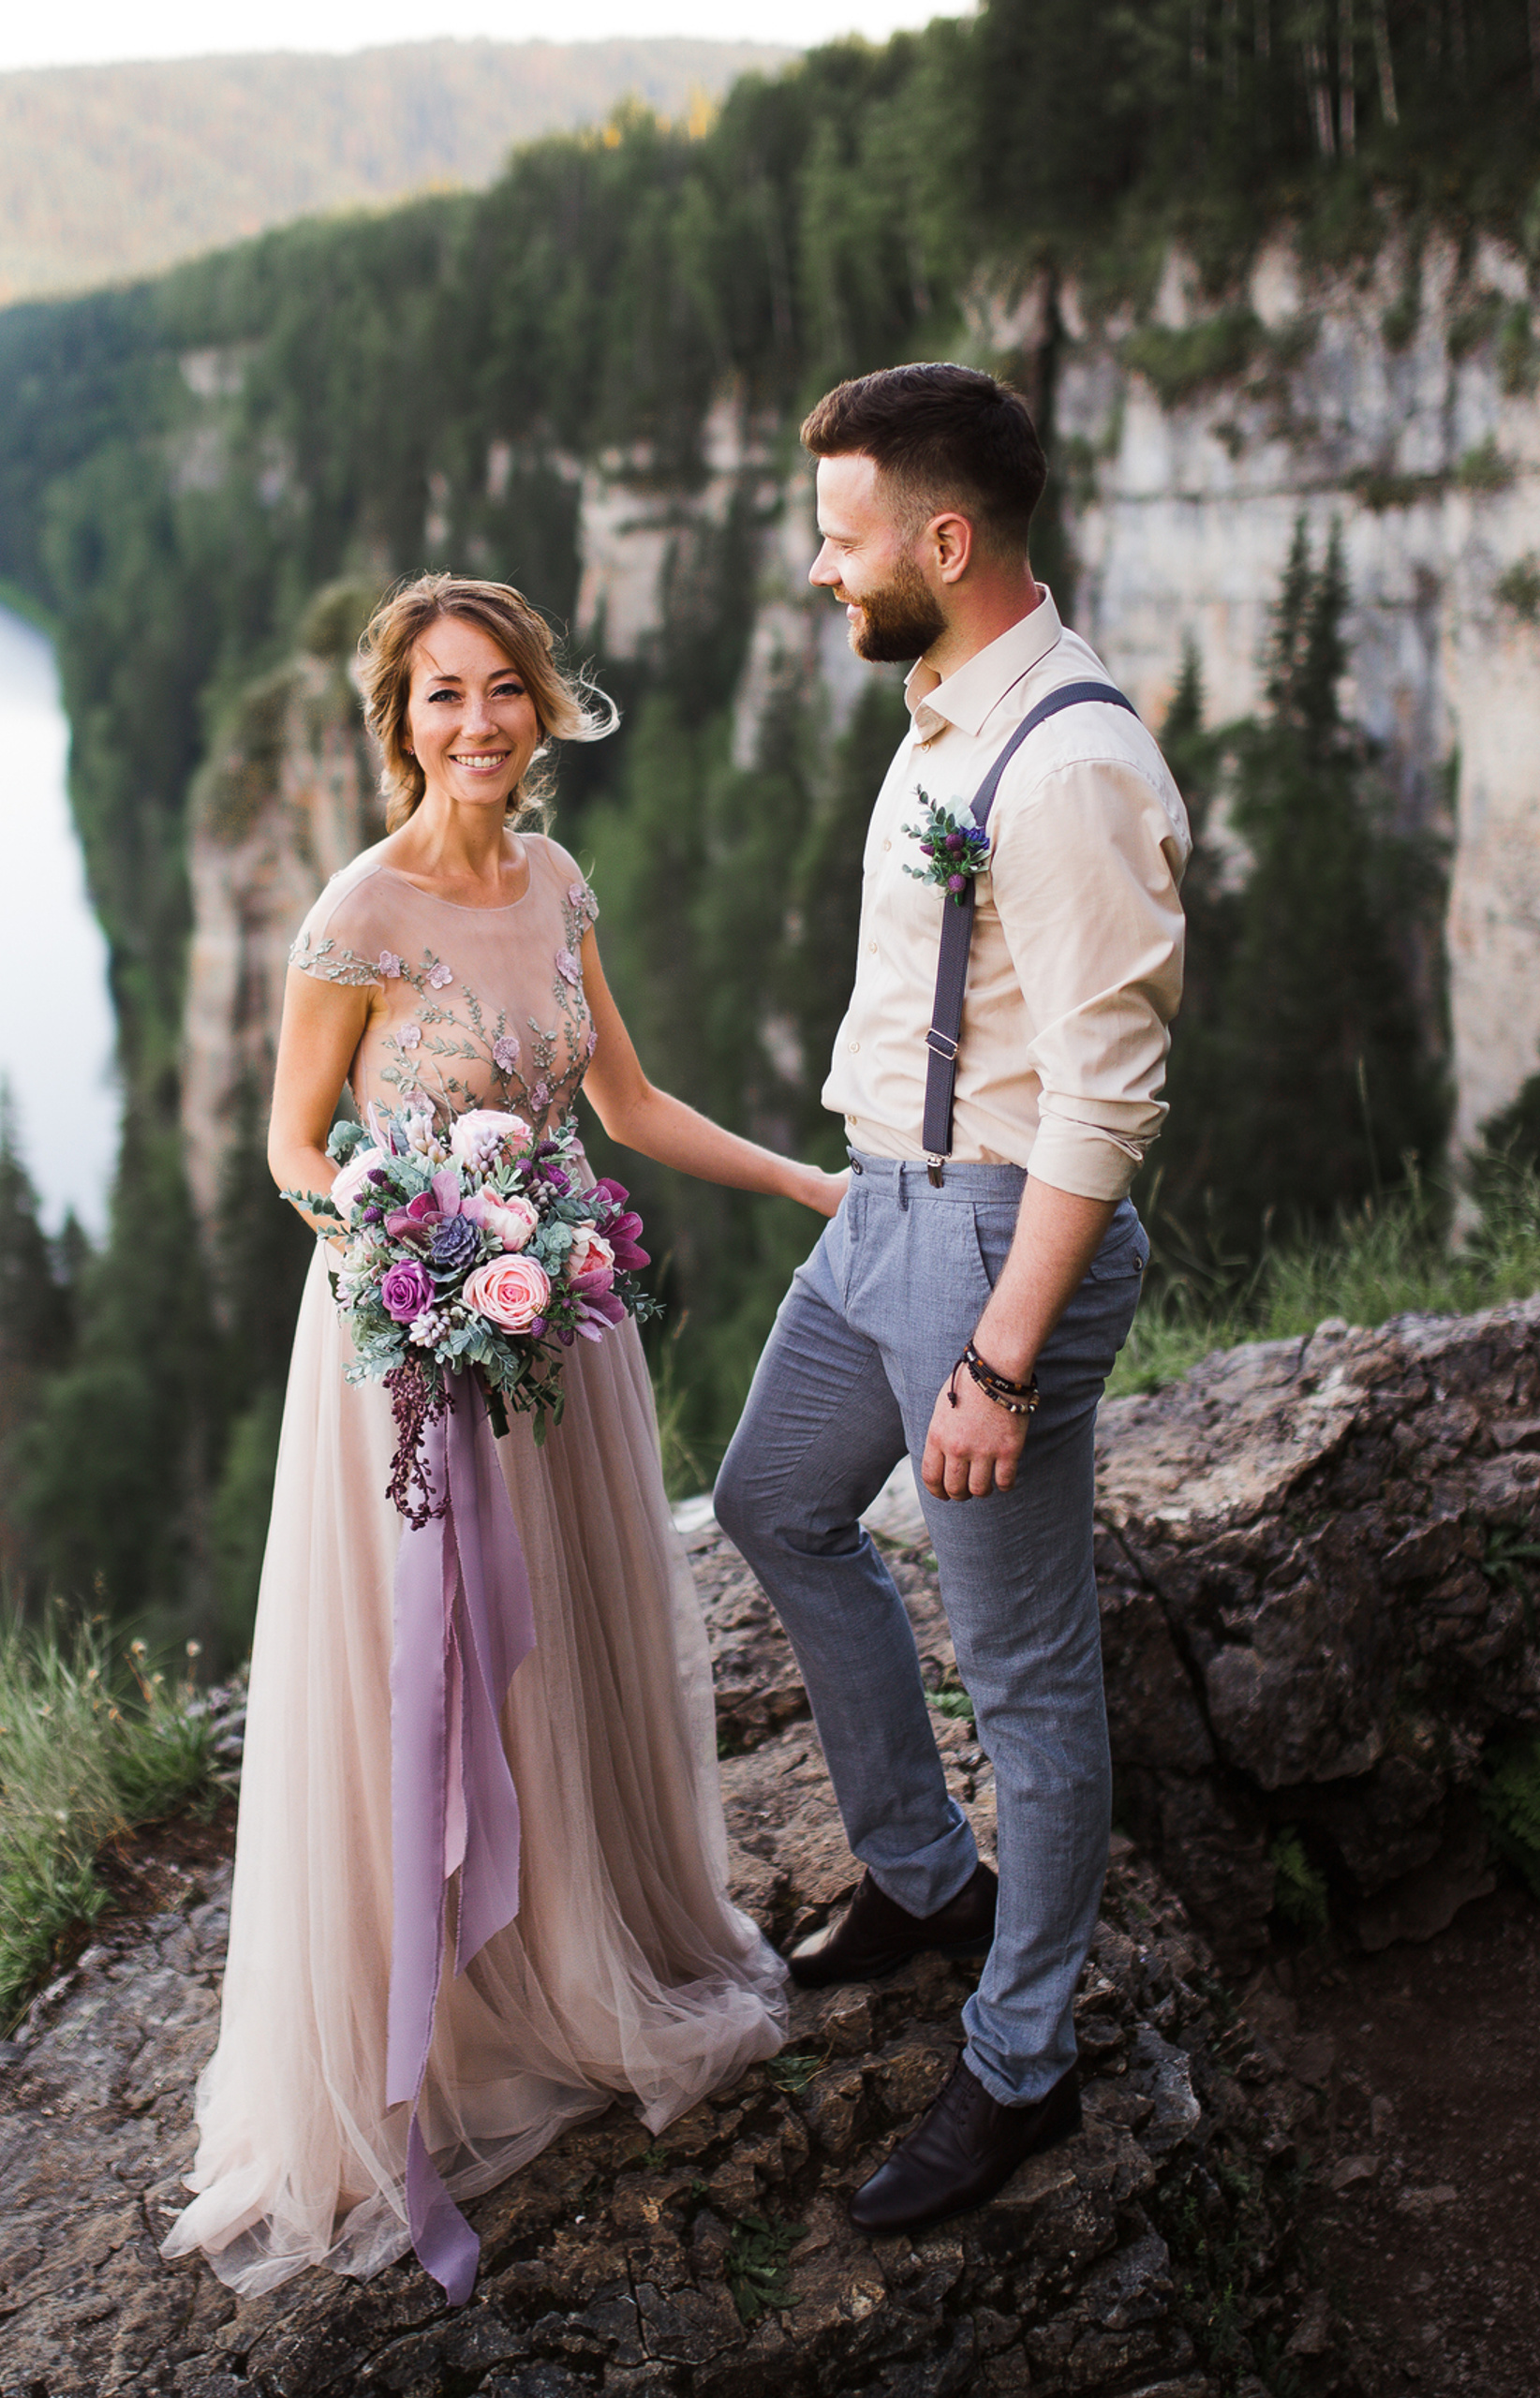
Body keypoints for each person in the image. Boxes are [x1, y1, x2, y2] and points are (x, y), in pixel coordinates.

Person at [163, 572, 843, 2299]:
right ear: (401, 724)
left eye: (504, 692)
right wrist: (402, 1248)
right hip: (411, 1349)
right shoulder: (358, 911)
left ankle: (593, 1954)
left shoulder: (553, 884)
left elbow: (623, 1104)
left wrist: (804, 1179)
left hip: (561, 1346)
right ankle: (449, 2023)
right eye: (443, 697)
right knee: (434, 1670)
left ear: (543, 708)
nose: (478, 723)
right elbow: (292, 1146)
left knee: (574, 1654)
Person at [713, 363, 1191, 2236]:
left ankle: (1020, 2064)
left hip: (995, 1251)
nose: (819, 573)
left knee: (1027, 1677)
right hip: (882, 1217)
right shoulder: (936, 715)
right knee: (768, 1498)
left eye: (840, 539)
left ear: (941, 537)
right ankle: (922, 1871)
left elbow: (1105, 1097)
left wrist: (995, 1361)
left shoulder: (1066, 764)